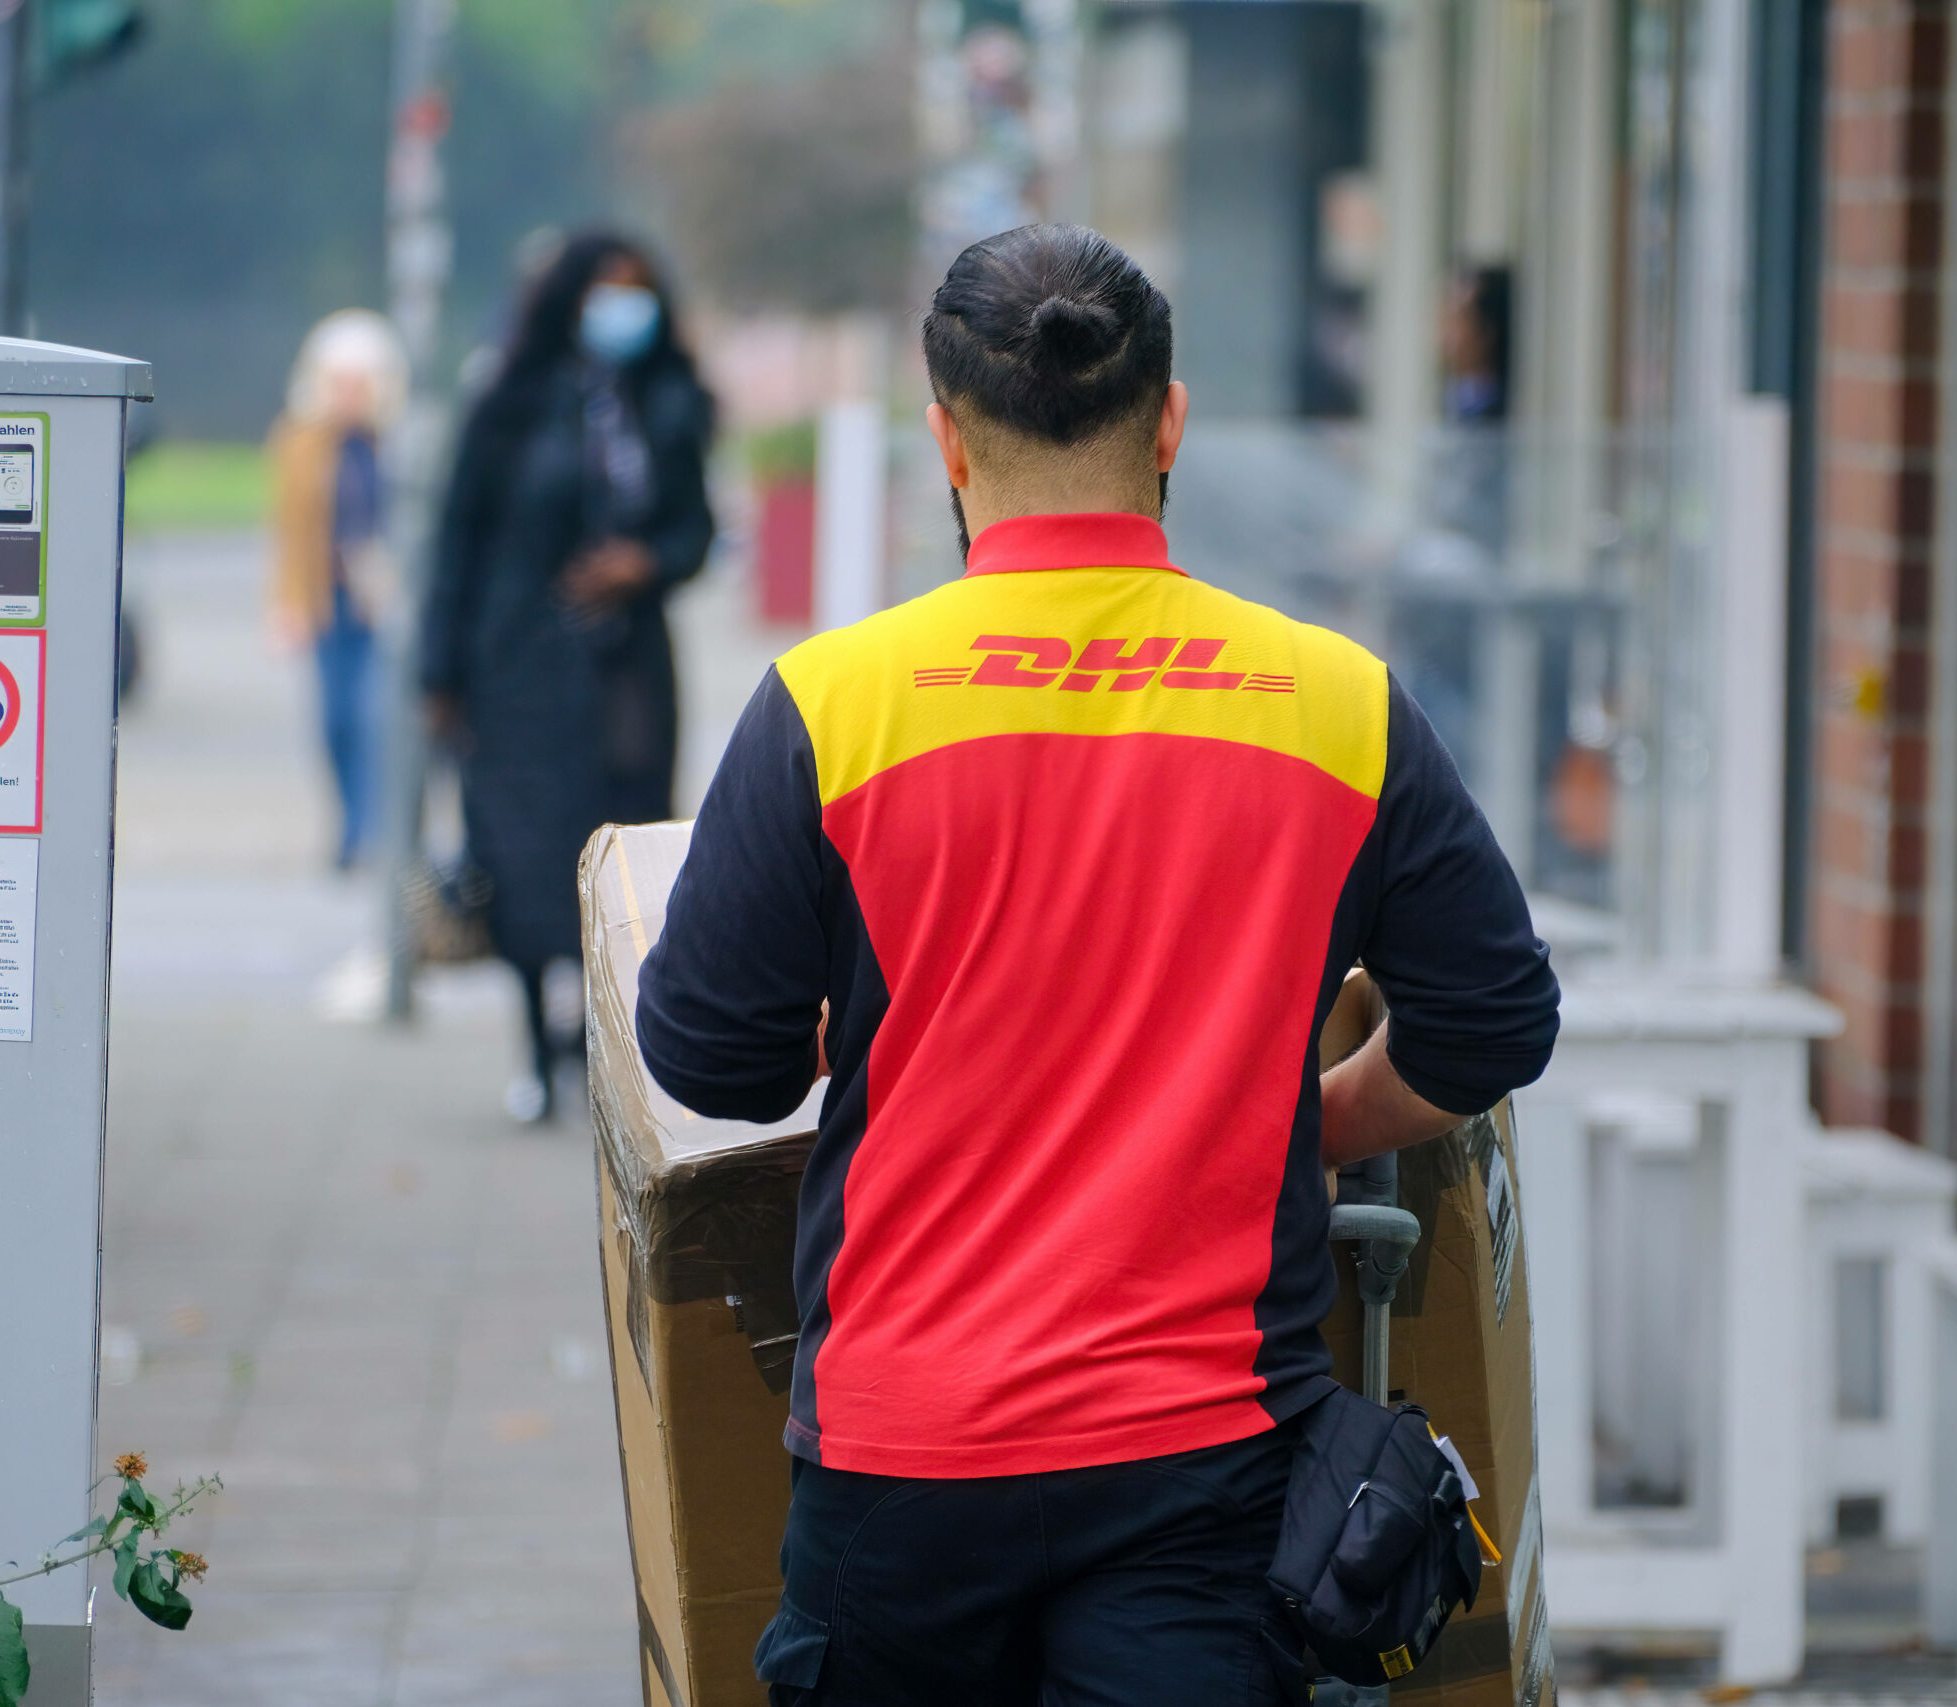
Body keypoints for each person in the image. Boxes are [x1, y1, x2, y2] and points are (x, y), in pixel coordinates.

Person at [637, 225, 1561, 1707]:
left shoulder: (832, 705)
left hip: (901, 1463)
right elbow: (1493, 1019)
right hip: (1205, 1470)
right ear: (1170, 418)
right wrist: (1302, 1116)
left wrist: (858, 1029)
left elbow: (703, 1056)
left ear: (947, 439)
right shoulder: (1332, 704)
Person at [422, 231, 715, 1124]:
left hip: (627, 671)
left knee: (626, 853)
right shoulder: (509, 401)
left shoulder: (669, 403)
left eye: (640, 291)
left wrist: (645, 562)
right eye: (606, 291)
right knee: (523, 854)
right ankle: (531, 1044)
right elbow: (458, 542)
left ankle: (605, 1039)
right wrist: (442, 671)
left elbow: (695, 532)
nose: (624, 309)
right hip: (518, 667)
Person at [267, 310, 406, 870]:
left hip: (384, 603)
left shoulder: (396, 442)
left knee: (376, 715)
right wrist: (286, 605)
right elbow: (289, 531)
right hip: (330, 601)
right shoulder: (300, 441)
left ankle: (373, 831)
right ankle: (349, 826)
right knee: (335, 720)